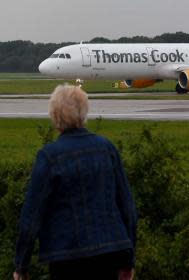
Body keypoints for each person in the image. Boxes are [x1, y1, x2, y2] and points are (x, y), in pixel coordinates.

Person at [14, 85, 137, 280]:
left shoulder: (49, 156)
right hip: (110, 250)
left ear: (54, 116)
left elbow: (32, 215)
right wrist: (129, 260)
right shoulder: (107, 148)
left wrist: (21, 264)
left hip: (67, 255)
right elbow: (127, 208)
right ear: (84, 113)